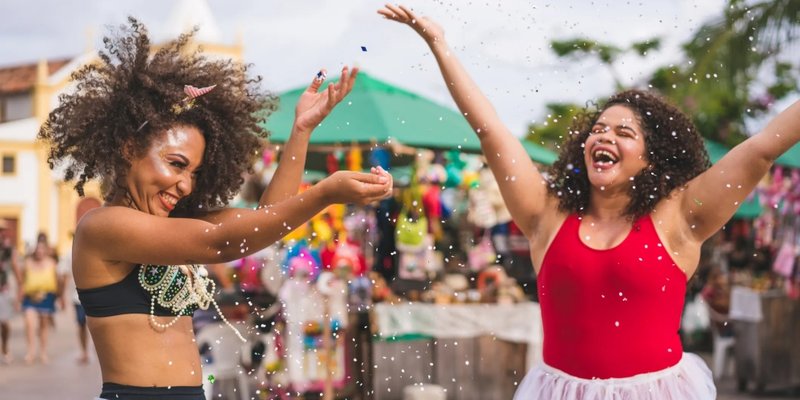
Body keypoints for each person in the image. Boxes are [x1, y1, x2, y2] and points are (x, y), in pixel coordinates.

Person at [380, 4, 800, 399]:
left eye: (624, 133)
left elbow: (762, 148)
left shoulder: (679, 216)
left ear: (652, 158)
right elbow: (490, 130)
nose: (604, 137)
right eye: (599, 129)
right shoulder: (546, 215)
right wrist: (439, 44)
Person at [37, 18, 392, 400]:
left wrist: (300, 133)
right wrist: (324, 193)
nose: (186, 184)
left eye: (194, 172)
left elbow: (263, 223)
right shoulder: (102, 227)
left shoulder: (177, 223)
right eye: (175, 164)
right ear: (128, 148)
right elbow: (221, 243)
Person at [20, 240, 61, 364]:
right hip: (30, 297)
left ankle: (43, 352)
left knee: (43, 325)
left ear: (46, 251)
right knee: (29, 324)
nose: (39, 251)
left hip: (46, 297)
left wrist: (59, 297)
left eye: (42, 249)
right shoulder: (27, 263)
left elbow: (57, 280)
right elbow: (22, 281)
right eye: (38, 249)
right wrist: (19, 298)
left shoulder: (52, 263)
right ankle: (31, 352)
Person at [0, 220, 22, 364]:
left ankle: (5, 348)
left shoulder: (8, 249)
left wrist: (21, 287)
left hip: (3, 289)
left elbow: (14, 267)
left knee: (4, 322)